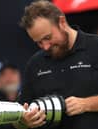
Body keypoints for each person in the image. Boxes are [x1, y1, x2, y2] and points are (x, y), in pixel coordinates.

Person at [16, 0, 98, 129]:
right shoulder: (35, 64)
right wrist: (24, 122)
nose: (45, 46)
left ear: (62, 22)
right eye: (38, 42)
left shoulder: (95, 47)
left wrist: (87, 104)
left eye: (48, 38)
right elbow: (19, 116)